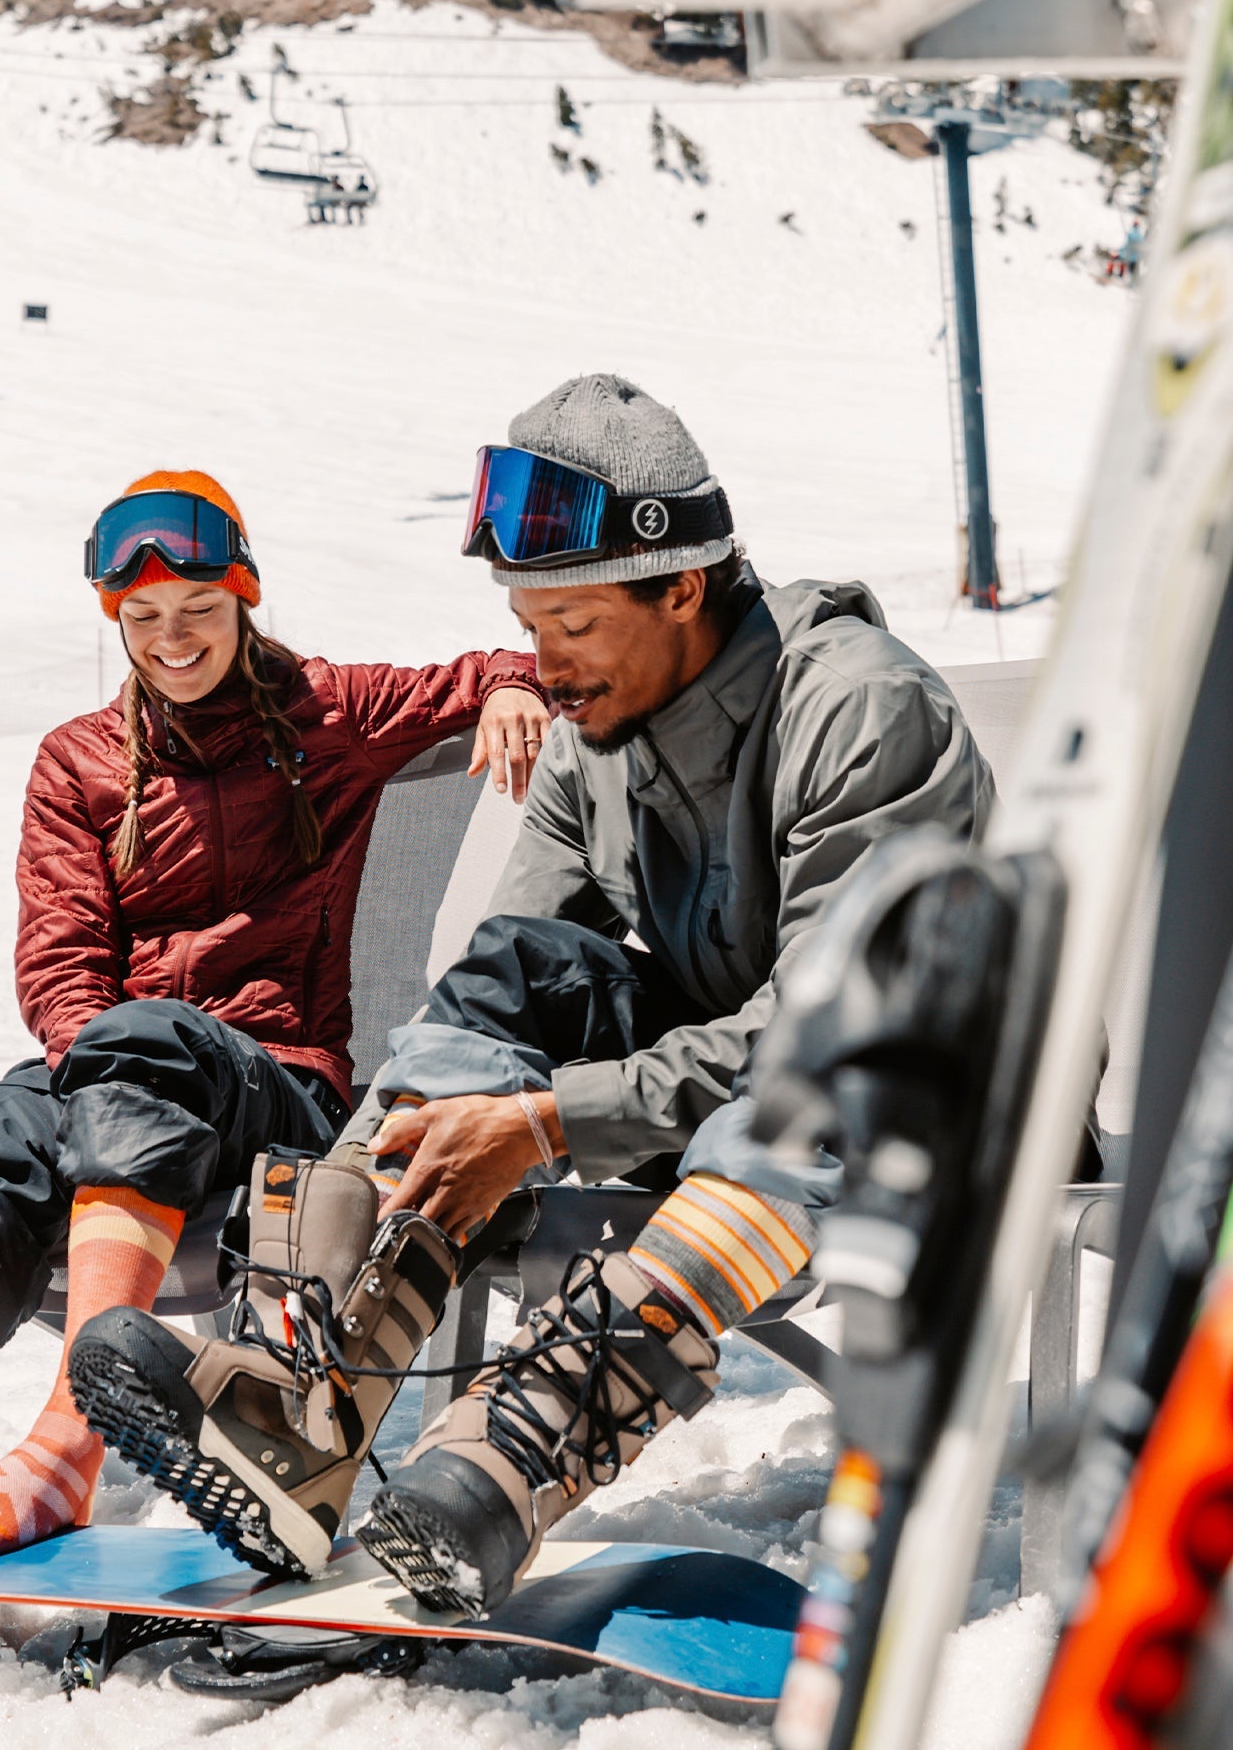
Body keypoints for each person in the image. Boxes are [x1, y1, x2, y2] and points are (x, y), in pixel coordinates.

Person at [70, 374, 996, 1611]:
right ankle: (297, 1395)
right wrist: (418, 1149)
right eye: (527, 625)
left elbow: (839, 1022)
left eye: (573, 624)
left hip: (930, 1095)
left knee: (803, 1093)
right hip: (723, 1091)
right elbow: (493, 989)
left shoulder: (856, 706)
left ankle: (516, 1451)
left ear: (682, 587)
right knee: (515, 972)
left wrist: (551, 1122)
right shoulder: (590, 737)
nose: (545, 664)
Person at [0, 470, 547, 1582]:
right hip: (119, 1072)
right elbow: (60, 966)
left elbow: (505, 665)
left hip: (278, 1086)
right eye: (144, 615)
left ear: (243, 598)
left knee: (147, 1041)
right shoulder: (78, 760)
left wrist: (510, 686)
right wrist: (88, 1083)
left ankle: (64, 1450)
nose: (173, 637)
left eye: (199, 608)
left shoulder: (331, 711)